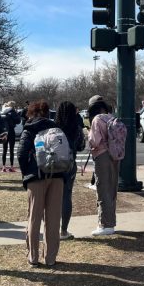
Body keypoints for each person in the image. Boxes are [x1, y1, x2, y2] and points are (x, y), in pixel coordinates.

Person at [18, 100, 64, 266]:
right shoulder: (56, 128)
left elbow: (22, 154)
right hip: (57, 176)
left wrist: (27, 173)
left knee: (34, 218)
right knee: (53, 219)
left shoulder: (29, 129)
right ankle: (50, 258)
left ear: (31, 113)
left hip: (36, 177)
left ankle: (33, 257)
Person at [87, 95, 119, 236]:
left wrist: (86, 135)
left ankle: (105, 224)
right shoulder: (112, 118)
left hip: (102, 156)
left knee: (102, 189)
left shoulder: (97, 119)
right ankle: (111, 221)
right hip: (115, 155)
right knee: (112, 189)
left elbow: (94, 141)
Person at [55, 101, 85, 240]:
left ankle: (51, 228)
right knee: (67, 196)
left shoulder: (53, 128)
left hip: (53, 165)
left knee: (52, 197)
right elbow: (81, 146)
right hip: (69, 164)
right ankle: (64, 230)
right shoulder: (76, 128)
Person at [1, 101, 20, 172]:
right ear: (12, 106)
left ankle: (3, 167)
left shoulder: (3, 112)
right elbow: (18, 121)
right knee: (11, 150)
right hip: (11, 131)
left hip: (4, 132)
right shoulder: (13, 112)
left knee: (4, 150)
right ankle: (11, 167)